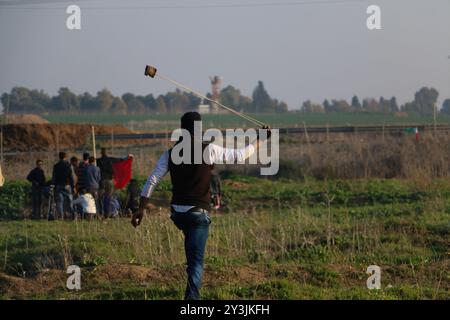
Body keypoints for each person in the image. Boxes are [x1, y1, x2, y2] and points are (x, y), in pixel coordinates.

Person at [132, 111, 270, 300]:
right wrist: (260, 139)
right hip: (197, 214)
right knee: (197, 261)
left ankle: (191, 287)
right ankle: (192, 301)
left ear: (181, 129)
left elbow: (153, 180)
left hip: (178, 214)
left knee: (192, 253)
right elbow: (240, 156)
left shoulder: (171, 153)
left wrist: (141, 208)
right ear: (199, 129)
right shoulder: (209, 149)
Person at [96, 148, 132, 217]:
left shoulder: (98, 161)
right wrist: (128, 157)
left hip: (102, 181)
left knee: (100, 197)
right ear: (106, 153)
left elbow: (92, 161)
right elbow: (120, 160)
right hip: (109, 181)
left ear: (101, 153)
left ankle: (101, 212)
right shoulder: (110, 159)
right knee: (108, 197)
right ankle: (108, 213)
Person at [52, 152, 74, 219]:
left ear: (59, 157)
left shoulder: (56, 166)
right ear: (65, 157)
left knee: (60, 202)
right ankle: (72, 214)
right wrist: (72, 186)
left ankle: (61, 216)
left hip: (58, 185)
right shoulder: (69, 165)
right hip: (67, 185)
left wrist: (53, 185)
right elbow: (71, 176)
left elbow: (54, 177)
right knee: (70, 201)